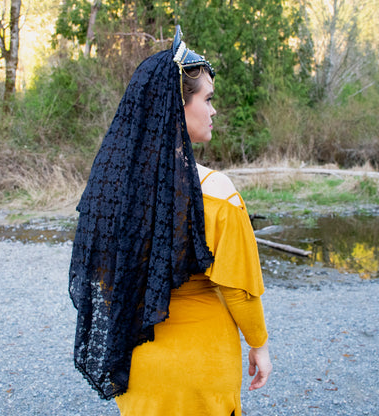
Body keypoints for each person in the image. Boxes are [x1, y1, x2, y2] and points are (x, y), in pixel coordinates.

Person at [69, 25, 272, 415]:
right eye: (208, 99)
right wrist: (259, 345)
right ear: (178, 107)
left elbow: (103, 276)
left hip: (139, 362)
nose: (213, 110)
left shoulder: (112, 192)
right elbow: (239, 289)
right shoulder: (216, 192)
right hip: (203, 365)